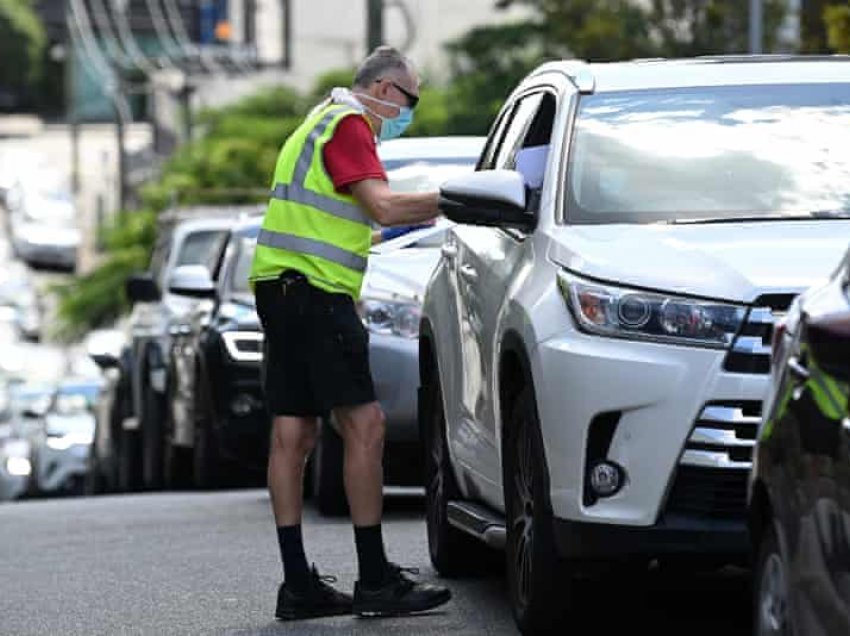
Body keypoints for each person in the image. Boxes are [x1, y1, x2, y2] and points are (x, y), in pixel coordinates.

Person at [249, 45, 452, 621]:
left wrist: (403, 225)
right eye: (410, 100)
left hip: (278, 288)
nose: (408, 111)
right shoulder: (350, 124)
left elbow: (347, 219)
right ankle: (375, 580)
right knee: (366, 425)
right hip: (316, 295)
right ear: (387, 90)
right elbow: (383, 207)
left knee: (293, 435)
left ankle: (298, 586)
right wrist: (456, 199)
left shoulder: (313, 122)